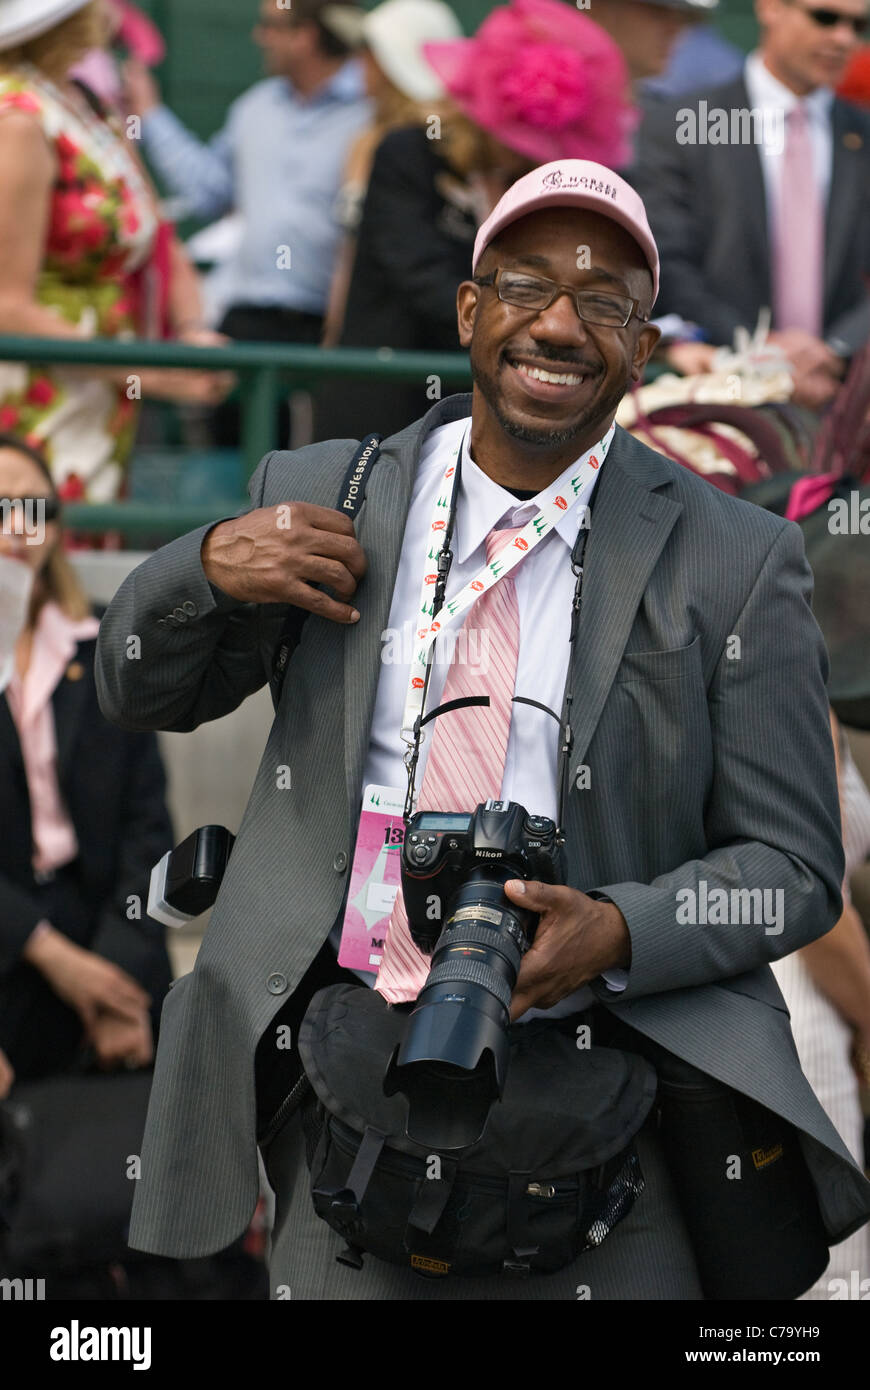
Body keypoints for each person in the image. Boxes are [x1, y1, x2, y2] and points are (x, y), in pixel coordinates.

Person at [96, 156, 870, 1299]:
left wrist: (617, 925)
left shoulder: (736, 556)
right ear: (469, 309)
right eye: (524, 286)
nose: (558, 324)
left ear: (643, 351)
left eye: (604, 302)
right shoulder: (327, 491)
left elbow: (795, 868)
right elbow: (137, 690)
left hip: (616, 1099)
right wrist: (202, 566)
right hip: (342, 1072)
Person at [320, 0, 637, 439]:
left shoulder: (540, 185)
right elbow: (419, 273)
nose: (524, 151)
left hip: (496, 421)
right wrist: (524, 324)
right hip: (387, 401)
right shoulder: (409, 155)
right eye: (513, 134)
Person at [0, 0, 229, 502]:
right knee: (37, 562)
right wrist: (156, 376)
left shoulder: (86, 105)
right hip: (34, 412)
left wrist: (193, 331)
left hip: (98, 402)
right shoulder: (18, 118)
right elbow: (7, 306)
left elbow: (158, 236)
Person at [0, 431, 171, 1096]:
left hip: (101, 921)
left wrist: (118, 980)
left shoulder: (103, 646)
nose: (19, 528)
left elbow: (147, 829)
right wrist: (48, 954)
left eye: (35, 508)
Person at [633, 0, 870, 406]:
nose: (844, 38)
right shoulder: (682, 125)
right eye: (824, 17)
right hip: (718, 399)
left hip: (838, 398)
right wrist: (760, 353)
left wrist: (836, 348)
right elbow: (665, 261)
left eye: (859, 25)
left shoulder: (861, 135)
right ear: (770, 7)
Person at [124, 0, 370, 355]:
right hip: (245, 322)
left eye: (271, 26)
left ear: (305, 36)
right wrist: (149, 114)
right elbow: (209, 191)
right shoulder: (253, 108)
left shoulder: (371, 115)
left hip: (333, 331)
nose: (259, 36)